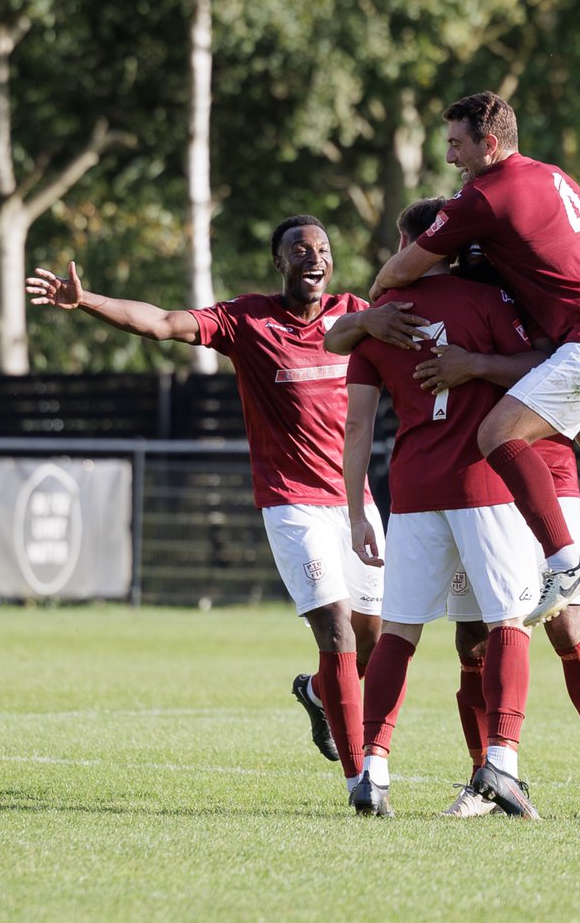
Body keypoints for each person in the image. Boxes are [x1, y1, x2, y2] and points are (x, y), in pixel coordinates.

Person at [25, 216, 431, 806]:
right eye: (299, 249)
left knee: (372, 639)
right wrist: (85, 300)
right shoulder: (248, 320)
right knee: (338, 631)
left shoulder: (356, 313)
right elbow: (164, 323)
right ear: (279, 262)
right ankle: (361, 783)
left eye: (322, 248)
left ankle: (319, 695)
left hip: (354, 503)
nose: (313, 257)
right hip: (291, 505)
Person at [367, 91, 580, 626]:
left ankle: (565, 563)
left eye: (456, 144)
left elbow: (408, 267)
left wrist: (376, 293)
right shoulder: (552, 175)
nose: (450, 158)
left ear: (489, 144)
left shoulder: (483, 197)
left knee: (497, 436)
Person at [343, 197, 544, 819]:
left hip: (413, 490)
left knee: (400, 630)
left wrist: (356, 512)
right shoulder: (484, 302)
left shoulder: (376, 320)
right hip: (483, 485)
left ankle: (372, 770)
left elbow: (356, 428)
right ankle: (502, 762)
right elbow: (543, 363)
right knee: (509, 621)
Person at [414, 331, 580, 820]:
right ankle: (487, 781)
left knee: (568, 624)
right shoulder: (455, 293)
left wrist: (473, 363)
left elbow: (556, 363)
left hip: (550, 479)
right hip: (472, 488)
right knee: (473, 638)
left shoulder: (540, 293)